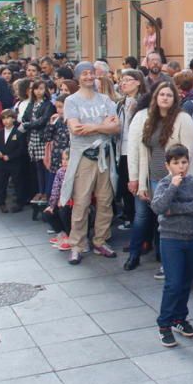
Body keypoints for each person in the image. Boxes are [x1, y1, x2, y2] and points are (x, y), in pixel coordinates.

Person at [126, 81, 193, 271]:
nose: (165, 98)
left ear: (175, 98)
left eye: (169, 95)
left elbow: (187, 154)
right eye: (161, 94)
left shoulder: (183, 119)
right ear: (156, 97)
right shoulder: (147, 118)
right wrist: (137, 179)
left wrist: (181, 182)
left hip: (171, 181)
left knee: (165, 220)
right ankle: (134, 254)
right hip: (148, 177)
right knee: (141, 217)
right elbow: (137, 150)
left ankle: (165, 261)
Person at [60, 61, 121, 265]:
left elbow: (115, 128)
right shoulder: (71, 101)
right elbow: (75, 129)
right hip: (84, 157)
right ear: (78, 77)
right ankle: (77, 243)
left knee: (105, 200)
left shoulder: (105, 100)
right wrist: (102, 126)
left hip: (105, 156)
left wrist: (92, 128)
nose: (88, 77)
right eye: (84, 74)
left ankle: (100, 240)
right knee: (82, 202)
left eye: (91, 73)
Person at [152, 144, 193, 348]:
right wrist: (173, 187)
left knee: (186, 282)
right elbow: (158, 207)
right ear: (168, 165)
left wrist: (174, 210)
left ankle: (179, 318)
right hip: (171, 238)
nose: (181, 167)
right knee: (173, 283)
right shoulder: (164, 183)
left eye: (184, 162)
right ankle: (164, 324)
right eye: (176, 163)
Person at [115, 69, 146, 227]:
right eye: (122, 80)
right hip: (121, 149)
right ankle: (129, 216)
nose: (123, 83)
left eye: (128, 80)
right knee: (125, 185)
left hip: (136, 150)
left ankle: (136, 219)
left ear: (138, 82)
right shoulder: (120, 103)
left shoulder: (142, 103)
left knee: (134, 184)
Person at [21, 80, 53, 204]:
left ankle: (46, 191)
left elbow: (43, 121)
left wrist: (29, 124)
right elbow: (24, 117)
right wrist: (28, 124)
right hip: (32, 138)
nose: (38, 91)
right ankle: (40, 190)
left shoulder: (48, 104)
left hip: (42, 138)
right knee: (37, 167)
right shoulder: (31, 103)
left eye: (41, 88)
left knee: (45, 166)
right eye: (36, 88)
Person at [0, 109, 28, 213]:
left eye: (8, 118)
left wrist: (10, 156)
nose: (6, 121)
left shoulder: (18, 133)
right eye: (3, 118)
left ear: (13, 119)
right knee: (2, 183)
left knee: (18, 182)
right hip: (2, 162)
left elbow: (21, 149)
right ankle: (1, 203)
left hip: (14, 162)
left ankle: (19, 203)